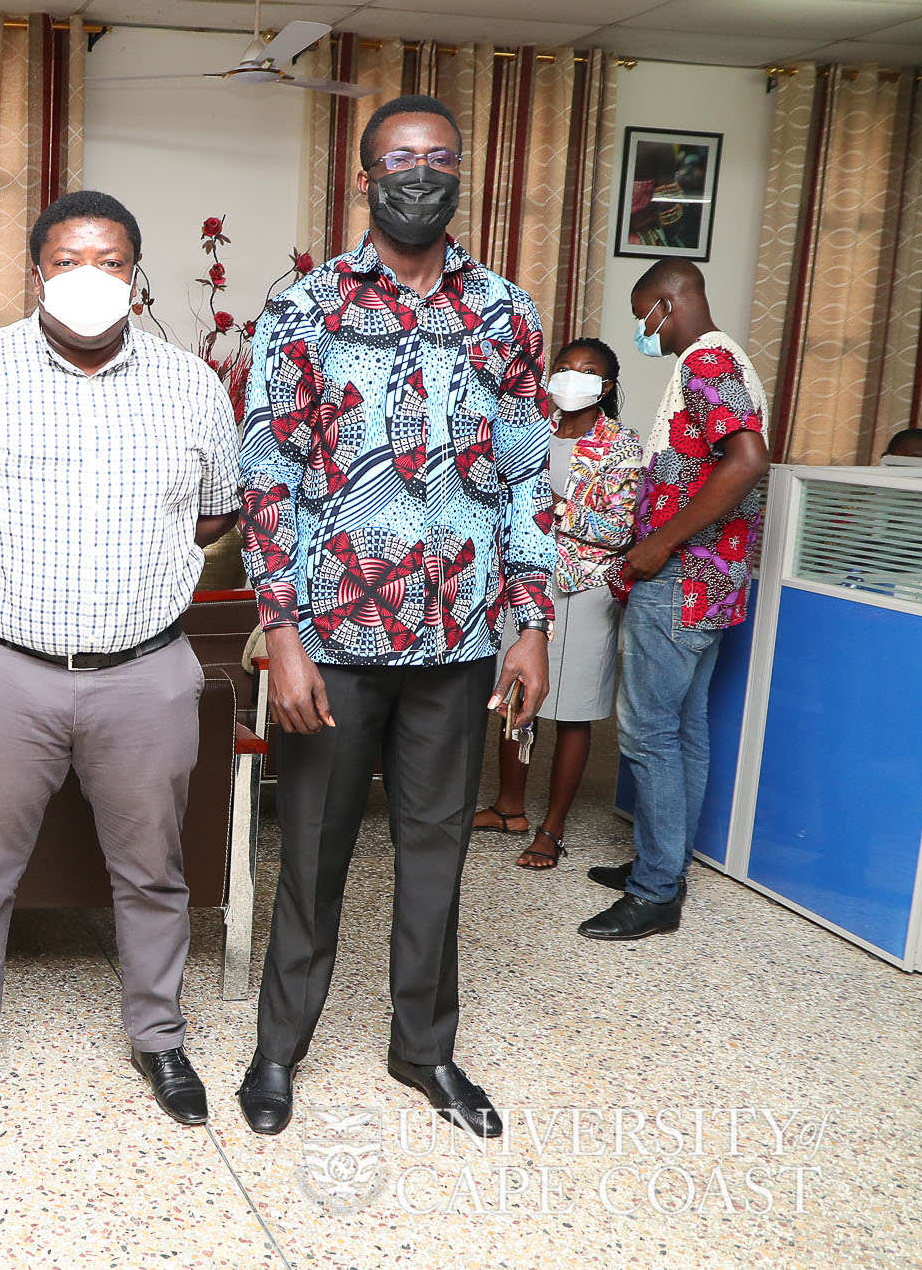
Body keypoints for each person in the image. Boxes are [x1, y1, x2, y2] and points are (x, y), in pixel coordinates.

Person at [234, 95, 556, 1141]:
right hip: (333, 637)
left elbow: (522, 480)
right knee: (313, 851)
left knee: (434, 851)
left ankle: (422, 1050)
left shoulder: (503, 312)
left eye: (438, 158)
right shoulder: (305, 306)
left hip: (459, 635)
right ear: (364, 178)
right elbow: (267, 474)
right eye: (398, 160)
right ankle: (277, 1048)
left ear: (459, 175)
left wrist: (530, 621)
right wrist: (279, 631)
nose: (420, 175)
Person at [0, 190, 241, 1142]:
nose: (90, 278)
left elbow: (215, 513)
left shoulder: (191, 386)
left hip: (146, 671)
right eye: (69, 261)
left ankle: (159, 1037)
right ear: (37, 271)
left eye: (111, 262)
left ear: (136, 275)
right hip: (5, 668)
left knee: (154, 869)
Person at [582, 260, 770, 940]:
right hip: (711, 581)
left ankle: (656, 891)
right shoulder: (726, 361)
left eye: (643, 315)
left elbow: (747, 460)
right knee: (685, 727)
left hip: (682, 577)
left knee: (649, 731)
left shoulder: (705, 363)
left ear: (667, 304)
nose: (642, 330)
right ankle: (665, 865)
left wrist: (658, 543)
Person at [471, 338, 643, 869]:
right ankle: (509, 807)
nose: (572, 377)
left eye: (587, 371)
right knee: (515, 697)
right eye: (565, 367)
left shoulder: (623, 445)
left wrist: (549, 511)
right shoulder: (528, 433)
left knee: (573, 711)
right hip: (523, 583)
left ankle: (553, 828)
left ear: (606, 386)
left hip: (586, 587)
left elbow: (618, 526)